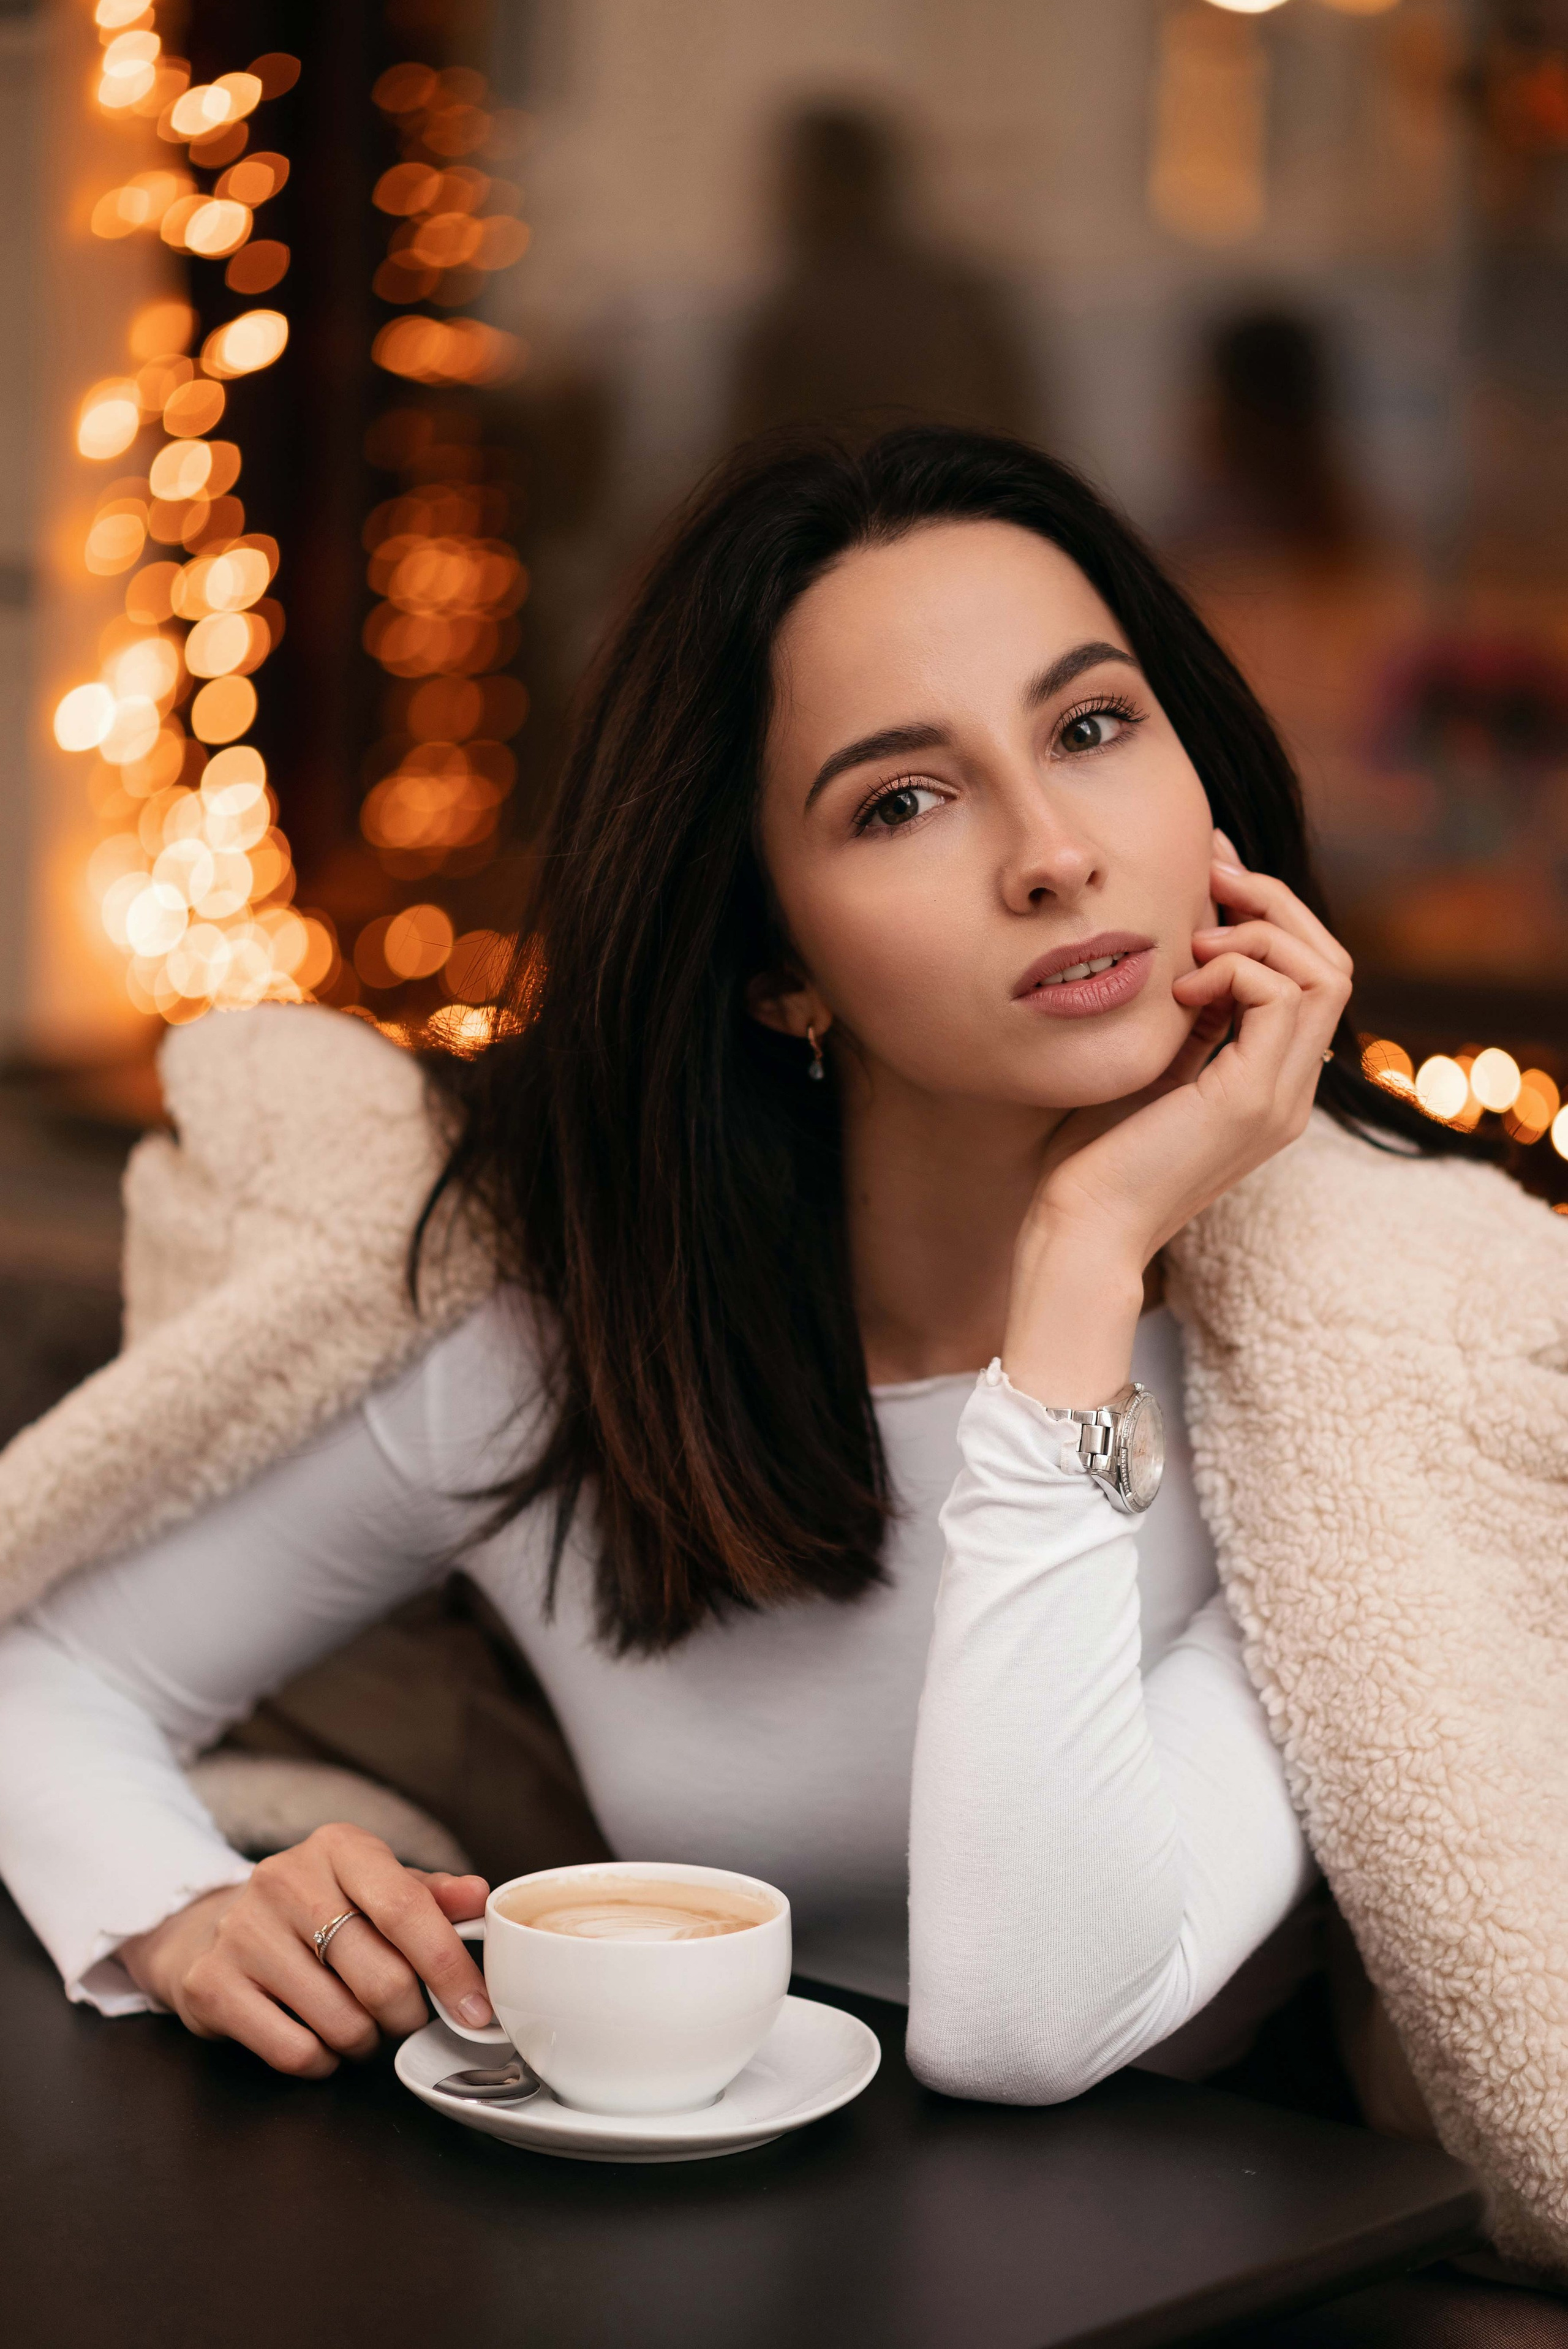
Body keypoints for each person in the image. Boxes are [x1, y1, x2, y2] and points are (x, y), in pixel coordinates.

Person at [0, 429, 1518, 2104]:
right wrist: (183, 1906)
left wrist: (1086, 1257)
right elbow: (45, 1668)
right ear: (774, 967)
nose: (1052, 852)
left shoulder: (1364, 1364)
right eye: (901, 802)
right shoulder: (563, 1332)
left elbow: (1030, 2023)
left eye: (1092, 726)